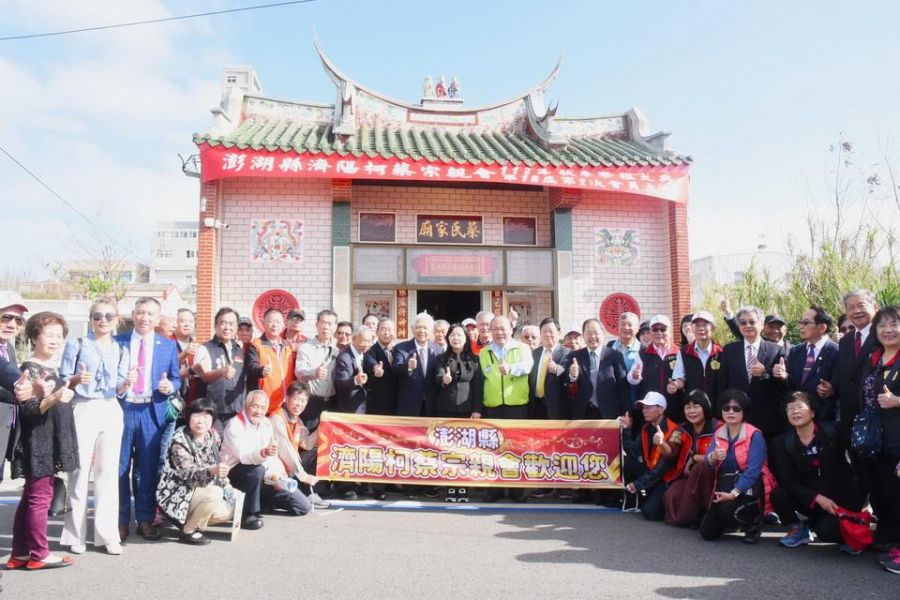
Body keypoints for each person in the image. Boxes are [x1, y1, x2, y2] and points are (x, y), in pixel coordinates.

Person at [59, 298, 129, 556]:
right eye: (97, 316)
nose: (103, 321)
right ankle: (76, 534)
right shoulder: (77, 344)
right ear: (90, 319)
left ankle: (108, 535)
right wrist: (77, 379)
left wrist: (127, 384)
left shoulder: (121, 349)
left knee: (108, 474)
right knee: (78, 473)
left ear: (116, 320)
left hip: (110, 407)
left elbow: (120, 387)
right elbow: (64, 379)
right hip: (83, 405)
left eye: (109, 316)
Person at [9, 311, 78, 570]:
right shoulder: (30, 368)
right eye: (49, 335)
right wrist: (55, 398)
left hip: (47, 438)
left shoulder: (49, 368)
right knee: (40, 497)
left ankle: (20, 553)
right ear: (34, 337)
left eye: (59, 336)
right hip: (38, 441)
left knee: (30, 497)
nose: (55, 340)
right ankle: (39, 553)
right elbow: (28, 409)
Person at [116, 297, 180, 543]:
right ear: (133, 313)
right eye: (140, 312)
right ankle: (120, 521)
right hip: (123, 409)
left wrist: (169, 386)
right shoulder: (118, 341)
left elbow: (177, 379)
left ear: (158, 318)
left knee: (147, 470)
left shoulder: (167, 345)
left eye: (150, 314)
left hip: (152, 412)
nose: (144, 318)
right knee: (120, 468)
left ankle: (144, 519)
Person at [771, 392, 865, 552]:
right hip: (813, 500)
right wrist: (816, 498)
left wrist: (860, 503)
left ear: (812, 412)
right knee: (778, 494)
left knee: (826, 532)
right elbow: (789, 481)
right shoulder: (782, 443)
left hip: (840, 500)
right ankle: (799, 529)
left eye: (800, 407)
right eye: (790, 408)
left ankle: (854, 528)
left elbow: (859, 464)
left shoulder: (833, 431)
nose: (795, 411)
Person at [223, 390, 313, 530]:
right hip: (236, 472)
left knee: (303, 506)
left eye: (263, 408)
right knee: (256, 470)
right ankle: (249, 514)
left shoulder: (265, 423)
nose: (259, 411)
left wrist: (278, 476)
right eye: (255, 406)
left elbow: (272, 456)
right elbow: (244, 456)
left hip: (264, 474)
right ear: (246, 405)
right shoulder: (235, 424)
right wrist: (263, 453)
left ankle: (261, 501)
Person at [856, 305, 900, 565]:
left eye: (894, 324)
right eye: (882, 325)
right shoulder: (874, 358)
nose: (888, 330)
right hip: (876, 439)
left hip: (898, 439)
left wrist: (897, 401)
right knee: (884, 491)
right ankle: (889, 536)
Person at [156, 398, 233, 545]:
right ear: (188, 417)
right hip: (178, 494)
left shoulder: (212, 437)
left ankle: (191, 521)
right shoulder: (179, 441)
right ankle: (188, 531)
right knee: (215, 494)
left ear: (212, 419)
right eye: (196, 415)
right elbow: (188, 475)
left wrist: (228, 487)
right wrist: (212, 470)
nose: (200, 421)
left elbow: (217, 465)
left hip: (201, 491)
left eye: (206, 416)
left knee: (227, 511)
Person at [699, 389, 772, 543]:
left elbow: (753, 471)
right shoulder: (719, 432)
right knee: (707, 532)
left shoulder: (754, 435)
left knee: (726, 511)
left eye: (736, 408)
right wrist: (712, 457)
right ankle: (735, 519)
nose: (730, 412)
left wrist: (734, 493)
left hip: (749, 489)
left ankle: (754, 521)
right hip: (725, 485)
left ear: (744, 411)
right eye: (726, 408)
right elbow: (708, 463)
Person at [479, 315, 533, 502]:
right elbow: (481, 381)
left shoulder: (523, 348)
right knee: (494, 449)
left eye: (503, 328)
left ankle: (517, 489)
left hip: (516, 406)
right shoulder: (484, 352)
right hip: (493, 406)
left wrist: (511, 368)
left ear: (511, 329)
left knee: (516, 449)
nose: (499, 332)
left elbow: (527, 367)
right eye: (495, 329)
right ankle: (495, 489)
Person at [714, 305, 787, 441]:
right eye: (743, 322)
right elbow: (722, 384)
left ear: (761, 325)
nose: (747, 325)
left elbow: (783, 386)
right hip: (737, 417)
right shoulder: (729, 350)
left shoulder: (776, 350)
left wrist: (766, 371)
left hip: (767, 419)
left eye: (752, 322)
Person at [620, 391, 690, 521]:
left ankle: (661, 502)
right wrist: (627, 429)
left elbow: (663, 468)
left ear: (661, 409)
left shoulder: (675, 431)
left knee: (650, 513)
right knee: (626, 461)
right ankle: (639, 499)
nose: (644, 411)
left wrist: (637, 485)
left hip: (667, 479)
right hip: (651, 472)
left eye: (649, 407)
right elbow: (632, 451)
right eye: (643, 408)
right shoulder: (646, 428)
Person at [773, 307, 839, 422]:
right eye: (801, 322)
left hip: (825, 420)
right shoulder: (795, 351)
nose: (801, 326)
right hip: (798, 420)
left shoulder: (836, 351)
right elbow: (792, 386)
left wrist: (831, 389)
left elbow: (842, 386)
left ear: (822, 327)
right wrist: (784, 376)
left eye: (806, 323)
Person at [663, 390, 719, 527]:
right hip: (687, 476)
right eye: (688, 407)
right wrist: (660, 443)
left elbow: (720, 456)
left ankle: (706, 513)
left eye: (696, 406)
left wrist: (695, 457)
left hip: (713, 476)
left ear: (705, 406)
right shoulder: (681, 429)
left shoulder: (717, 427)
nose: (691, 411)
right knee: (671, 496)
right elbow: (671, 451)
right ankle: (691, 517)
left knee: (701, 467)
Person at [269, 382, 327, 508]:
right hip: (275, 471)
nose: (299, 404)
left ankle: (309, 492)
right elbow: (285, 450)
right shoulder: (277, 418)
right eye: (296, 399)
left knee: (317, 452)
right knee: (301, 506)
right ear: (287, 398)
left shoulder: (297, 420)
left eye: (303, 401)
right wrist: (303, 475)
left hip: (291, 469)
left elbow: (307, 444)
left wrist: (321, 427)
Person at [193, 307, 246, 432]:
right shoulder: (205, 348)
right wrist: (221, 372)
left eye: (231, 323)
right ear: (215, 325)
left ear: (236, 327)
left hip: (236, 410)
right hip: (212, 412)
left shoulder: (239, 348)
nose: (227, 327)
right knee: (216, 449)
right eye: (223, 323)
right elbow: (204, 376)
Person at [568, 319, 630, 420]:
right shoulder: (575, 356)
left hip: (609, 412)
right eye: (588, 333)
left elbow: (623, 387)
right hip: (583, 412)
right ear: (583, 335)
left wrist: (626, 413)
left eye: (596, 333)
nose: (592, 337)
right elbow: (568, 384)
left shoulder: (614, 356)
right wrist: (572, 376)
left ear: (603, 334)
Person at [363, 318, 397, 500]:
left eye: (389, 329)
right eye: (383, 329)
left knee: (392, 446)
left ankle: (390, 480)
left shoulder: (398, 350)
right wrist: (376, 368)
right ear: (377, 331)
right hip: (378, 407)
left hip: (395, 408)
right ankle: (377, 486)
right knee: (378, 447)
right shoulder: (371, 351)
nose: (386, 332)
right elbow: (369, 362)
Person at [837, 289, 879, 438]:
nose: (857, 311)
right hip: (850, 419)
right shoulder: (845, 341)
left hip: (877, 418)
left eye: (861, 305)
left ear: (875, 307)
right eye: (851, 307)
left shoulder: (884, 337)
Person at [633, 315, 685, 421]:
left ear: (670, 332)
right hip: (650, 411)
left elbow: (684, 378)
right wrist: (635, 376)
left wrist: (677, 385)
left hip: (674, 409)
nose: (659, 333)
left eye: (663, 329)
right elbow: (632, 379)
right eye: (655, 329)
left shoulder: (680, 352)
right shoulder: (642, 354)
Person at [295, 309, 338, 432]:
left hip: (331, 404)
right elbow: (299, 372)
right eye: (323, 322)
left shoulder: (336, 351)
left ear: (334, 327)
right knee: (308, 443)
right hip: (311, 403)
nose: (326, 326)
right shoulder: (305, 348)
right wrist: (314, 373)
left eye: (330, 324)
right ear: (317, 325)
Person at [245, 308, 295, 415]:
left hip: (286, 405)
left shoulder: (287, 346)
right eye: (270, 321)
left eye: (278, 321)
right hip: (265, 405)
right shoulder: (256, 345)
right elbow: (251, 368)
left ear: (284, 324)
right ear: (263, 323)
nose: (274, 324)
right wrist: (261, 371)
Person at [0, 291, 28, 483]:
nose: (12, 325)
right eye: (6, 317)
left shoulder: (8, 347)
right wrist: (22, 390)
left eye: (18, 320)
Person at [393, 312, 442, 418]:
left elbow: (440, 373)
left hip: (432, 405)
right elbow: (396, 368)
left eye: (425, 328)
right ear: (412, 329)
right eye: (418, 327)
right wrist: (408, 366)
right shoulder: (401, 348)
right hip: (409, 406)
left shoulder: (438, 349)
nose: (421, 331)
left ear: (431, 330)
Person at [435, 324, 483, 418]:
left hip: (468, 410)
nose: (455, 338)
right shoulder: (441, 358)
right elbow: (438, 376)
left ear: (466, 338)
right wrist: (443, 379)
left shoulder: (475, 359)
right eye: (452, 335)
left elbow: (478, 386)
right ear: (448, 338)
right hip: (444, 409)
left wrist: (477, 410)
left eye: (459, 335)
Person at [676, 311, 723, 407]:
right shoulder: (683, 352)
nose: (701, 328)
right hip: (693, 406)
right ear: (692, 329)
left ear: (713, 328)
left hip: (717, 406)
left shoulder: (721, 352)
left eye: (705, 325)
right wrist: (675, 384)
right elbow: (679, 378)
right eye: (697, 325)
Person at [529, 318, 571, 420]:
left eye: (551, 331)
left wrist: (557, 369)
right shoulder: (534, 353)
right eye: (544, 331)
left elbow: (568, 371)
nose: (547, 335)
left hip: (556, 407)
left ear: (559, 333)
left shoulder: (568, 353)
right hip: (535, 406)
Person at [335, 326, 374, 415]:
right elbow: (341, 384)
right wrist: (356, 380)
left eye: (369, 341)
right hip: (349, 408)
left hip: (362, 404)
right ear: (353, 339)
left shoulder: (363, 353)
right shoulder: (344, 357)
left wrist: (375, 367)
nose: (366, 344)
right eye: (364, 340)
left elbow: (369, 360)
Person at [174, 308, 198, 402]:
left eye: (191, 321)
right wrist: (185, 353)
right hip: (174, 399)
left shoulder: (197, 345)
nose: (187, 324)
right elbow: (165, 366)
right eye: (182, 321)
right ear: (175, 323)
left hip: (193, 398)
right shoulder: (167, 343)